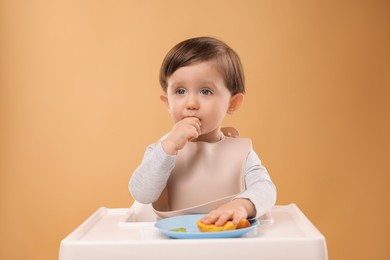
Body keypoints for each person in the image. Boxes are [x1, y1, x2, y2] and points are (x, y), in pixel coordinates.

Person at [129, 36, 276, 226]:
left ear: (232, 103)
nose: (191, 104)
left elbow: (266, 189)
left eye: (205, 91)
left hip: (228, 241)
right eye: (180, 91)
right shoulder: (160, 150)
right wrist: (169, 147)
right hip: (172, 243)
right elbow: (141, 193)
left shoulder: (241, 154)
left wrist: (242, 205)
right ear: (167, 102)